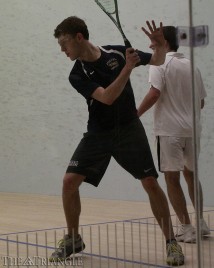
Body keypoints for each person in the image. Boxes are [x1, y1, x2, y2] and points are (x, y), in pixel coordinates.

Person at [50, 16, 184, 266]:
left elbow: (157, 60)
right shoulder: (76, 74)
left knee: (150, 183)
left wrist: (160, 45)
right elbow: (107, 97)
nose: (62, 50)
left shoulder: (117, 52)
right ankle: (73, 239)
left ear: (79, 37)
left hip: (128, 130)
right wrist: (127, 68)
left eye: (64, 43)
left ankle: (171, 243)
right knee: (69, 182)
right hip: (98, 133)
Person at [137, 26, 210, 243]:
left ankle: (187, 228)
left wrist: (135, 114)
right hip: (192, 130)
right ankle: (201, 223)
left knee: (172, 179)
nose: (150, 45)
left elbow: (154, 93)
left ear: (164, 42)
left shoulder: (158, 63)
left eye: (153, 40)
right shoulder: (192, 65)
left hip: (169, 131)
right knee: (191, 175)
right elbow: (201, 102)